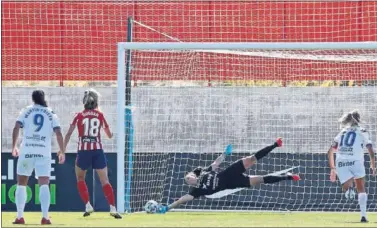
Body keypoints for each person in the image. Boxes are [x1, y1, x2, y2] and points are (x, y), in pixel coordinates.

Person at [156, 138, 300, 213]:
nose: (190, 179)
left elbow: (216, 163)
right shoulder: (196, 191)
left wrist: (225, 153)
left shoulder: (205, 171)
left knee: (251, 159)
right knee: (260, 180)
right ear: (190, 184)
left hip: (230, 171)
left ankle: (275, 144)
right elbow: (182, 200)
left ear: (192, 175)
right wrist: (168, 207)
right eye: (188, 180)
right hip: (232, 183)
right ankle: (288, 176)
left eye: (190, 177)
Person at [63, 89, 121, 219]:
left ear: (84, 102)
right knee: (105, 180)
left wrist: (62, 149)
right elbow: (109, 135)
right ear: (96, 102)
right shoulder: (100, 115)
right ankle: (113, 208)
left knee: (80, 178)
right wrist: (111, 134)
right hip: (97, 150)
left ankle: (88, 205)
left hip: (83, 151)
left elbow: (68, 134)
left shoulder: (78, 115)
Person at [12, 90, 65, 225]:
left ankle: (19, 217)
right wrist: (62, 151)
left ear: (33, 99)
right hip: (43, 152)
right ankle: (45, 217)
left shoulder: (26, 110)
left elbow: (16, 127)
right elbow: (58, 132)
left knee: (21, 183)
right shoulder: (50, 113)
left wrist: (14, 146)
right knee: (44, 183)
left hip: (27, 150)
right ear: (43, 98)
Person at [327, 109, 376, 223]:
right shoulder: (362, 131)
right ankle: (363, 216)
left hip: (341, 162)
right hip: (356, 161)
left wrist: (333, 168)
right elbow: (371, 151)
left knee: (345, 188)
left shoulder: (342, 132)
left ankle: (349, 189)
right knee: (361, 188)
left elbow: (330, 151)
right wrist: (373, 165)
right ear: (359, 119)